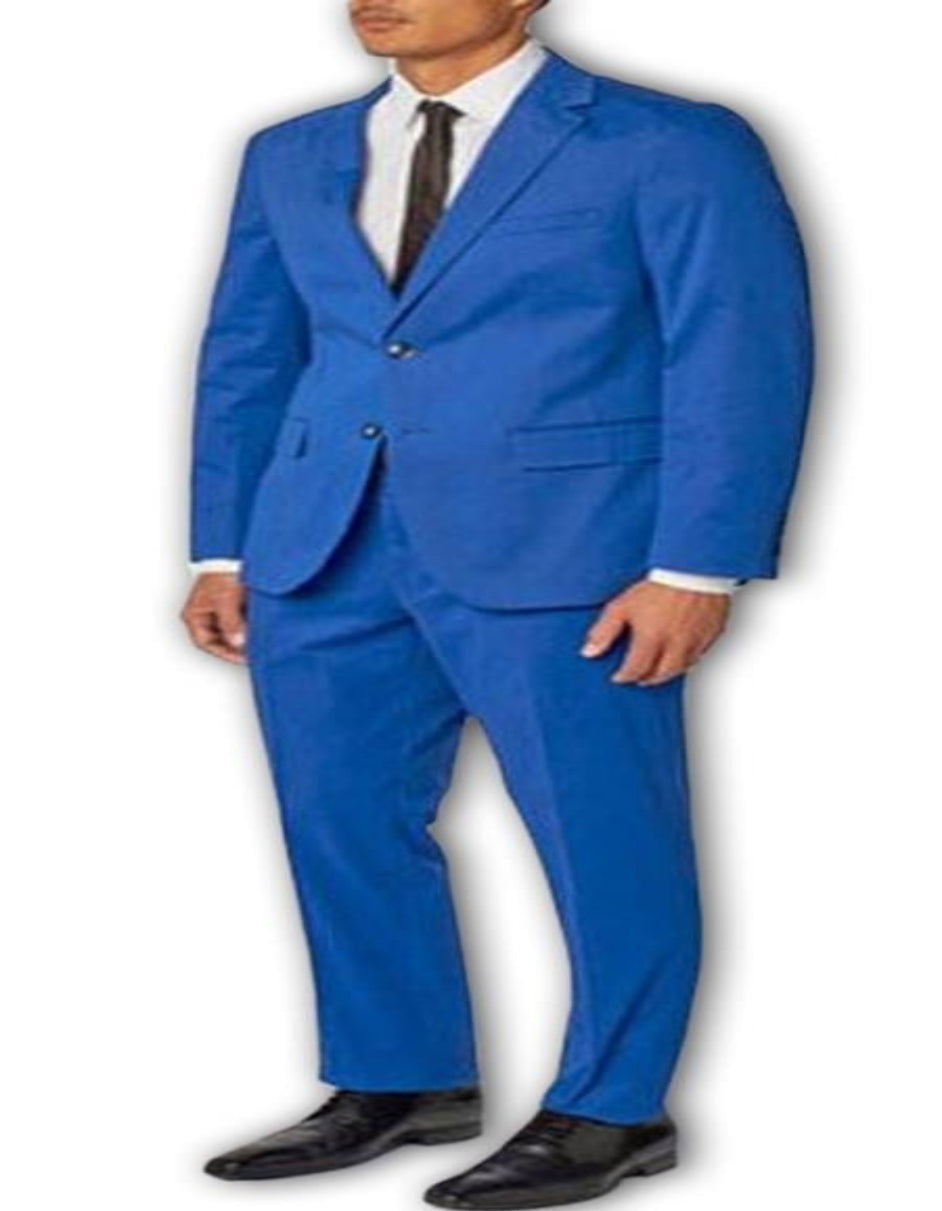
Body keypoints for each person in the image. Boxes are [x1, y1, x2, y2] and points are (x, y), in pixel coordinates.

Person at [180, 2, 815, 1206]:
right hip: (323, 541)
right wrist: (223, 544)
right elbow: (249, 352)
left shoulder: (669, 141)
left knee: (600, 829)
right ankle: (400, 1074)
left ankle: (613, 1107)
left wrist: (698, 564)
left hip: (570, 550)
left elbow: (737, 348)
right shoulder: (288, 152)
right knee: (340, 818)